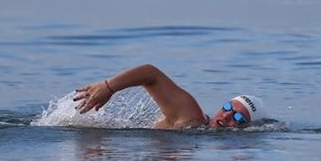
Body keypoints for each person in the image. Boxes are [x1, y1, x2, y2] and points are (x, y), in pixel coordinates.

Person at [73, 64, 268, 129]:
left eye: (238, 117)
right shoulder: (192, 117)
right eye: (227, 108)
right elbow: (151, 73)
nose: (226, 116)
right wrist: (108, 87)